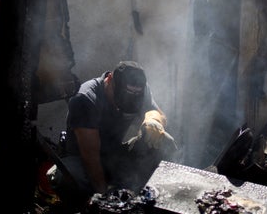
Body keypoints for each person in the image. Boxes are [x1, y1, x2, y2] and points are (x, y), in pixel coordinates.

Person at [48, 60, 175, 206]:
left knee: (163, 141)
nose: (130, 99)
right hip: (82, 160)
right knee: (67, 177)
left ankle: (156, 201)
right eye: (123, 98)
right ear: (109, 81)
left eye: (135, 95)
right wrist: (105, 201)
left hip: (114, 155)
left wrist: (154, 120)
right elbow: (91, 156)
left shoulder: (139, 89)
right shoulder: (86, 98)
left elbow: (160, 115)